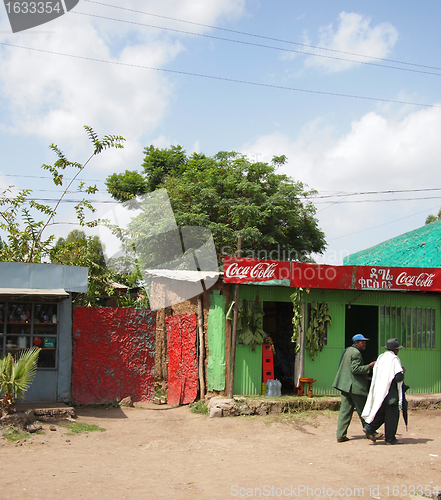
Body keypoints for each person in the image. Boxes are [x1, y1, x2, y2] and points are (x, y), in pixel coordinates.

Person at [361, 338, 405, 445]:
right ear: (395, 350)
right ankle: (390, 438)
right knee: (392, 416)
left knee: (382, 413)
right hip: (391, 393)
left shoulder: (381, 357)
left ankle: (370, 428)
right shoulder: (394, 359)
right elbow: (398, 377)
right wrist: (403, 372)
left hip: (381, 391)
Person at [333, 334, 376, 442]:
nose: (364, 344)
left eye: (365, 342)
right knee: (364, 411)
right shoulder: (356, 353)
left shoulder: (348, 350)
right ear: (356, 343)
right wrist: (369, 366)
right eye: (362, 342)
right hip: (354, 386)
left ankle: (340, 435)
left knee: (345, 411)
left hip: (345, 385)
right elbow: (355, 369)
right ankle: (371, 431)